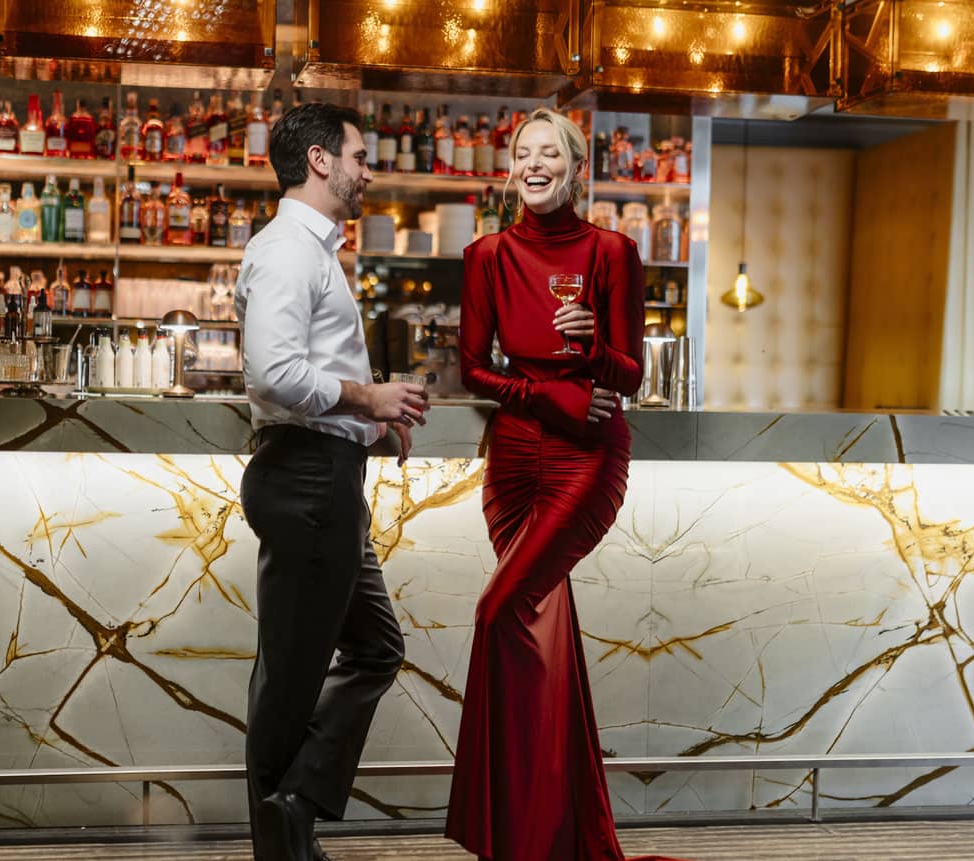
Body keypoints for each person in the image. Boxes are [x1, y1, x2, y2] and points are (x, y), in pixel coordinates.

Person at [446, 108, 678, 861]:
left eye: (551, 153)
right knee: (541, 644)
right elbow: (471, 367)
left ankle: (503, 835)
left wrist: (593, 346)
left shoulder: (614, 250)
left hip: (587, 458)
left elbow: (632, 374)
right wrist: (542, 393)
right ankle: (549, 834)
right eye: (523, 152)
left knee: (497, 611)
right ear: (511, 166)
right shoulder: (487, 254)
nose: (534, 164)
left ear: (578, 168)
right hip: (514, 458)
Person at [235, 101, 430, 861]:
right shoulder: (289, 248)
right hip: (305, 483)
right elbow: (274, 372)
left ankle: (295, 808)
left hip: (325, 478)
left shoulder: (313, 250)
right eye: (358, 154)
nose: (367, 168)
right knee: (287, 684)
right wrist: (369, 398)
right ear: (321, 160)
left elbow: (306, 370)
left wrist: (370, 423)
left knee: (376, 647)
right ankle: (283, 841)